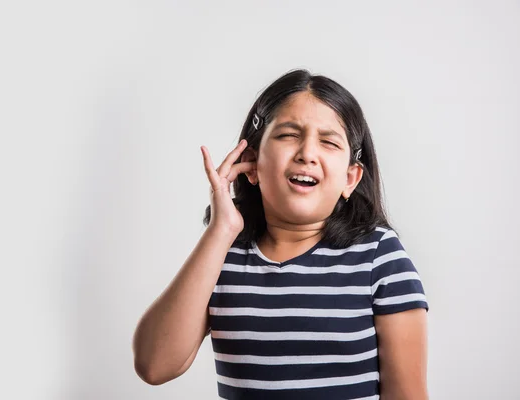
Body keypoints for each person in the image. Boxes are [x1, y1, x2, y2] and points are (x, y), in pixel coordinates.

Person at [132, 69, 429, 399]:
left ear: (350, 178)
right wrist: (221, 230)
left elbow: (408, 394)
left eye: (328, 142)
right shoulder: (221, 257)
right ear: (252, 162)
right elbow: (154, 365)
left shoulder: (379, 256)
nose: (307, 153)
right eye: (289, 135)